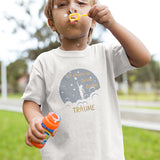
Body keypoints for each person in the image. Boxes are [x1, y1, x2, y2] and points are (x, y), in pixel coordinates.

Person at [22, 0, 151, 159]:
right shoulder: (45, 62)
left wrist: (112, 24)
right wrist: (35, 118)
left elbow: (142, 58)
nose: (72, 9)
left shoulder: (105, 54)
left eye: (81, 3)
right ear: (52, 24)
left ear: (93, 21)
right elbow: (31, 101)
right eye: (62, 4)